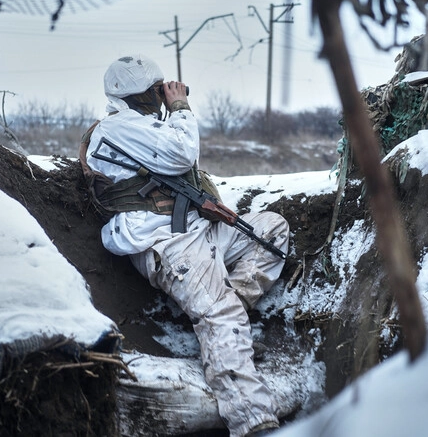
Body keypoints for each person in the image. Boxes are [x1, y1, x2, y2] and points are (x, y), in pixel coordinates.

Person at [80, 54, 290, 437]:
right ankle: (253, 420)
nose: (162, 96)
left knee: (272, 231)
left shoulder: (147, 126)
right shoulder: (116, 129)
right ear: (140, 95)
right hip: (165, 241)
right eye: (156, 91)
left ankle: (227, 317)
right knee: (220, 313)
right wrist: (180, 106)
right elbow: (181, 154)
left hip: (197, 230)